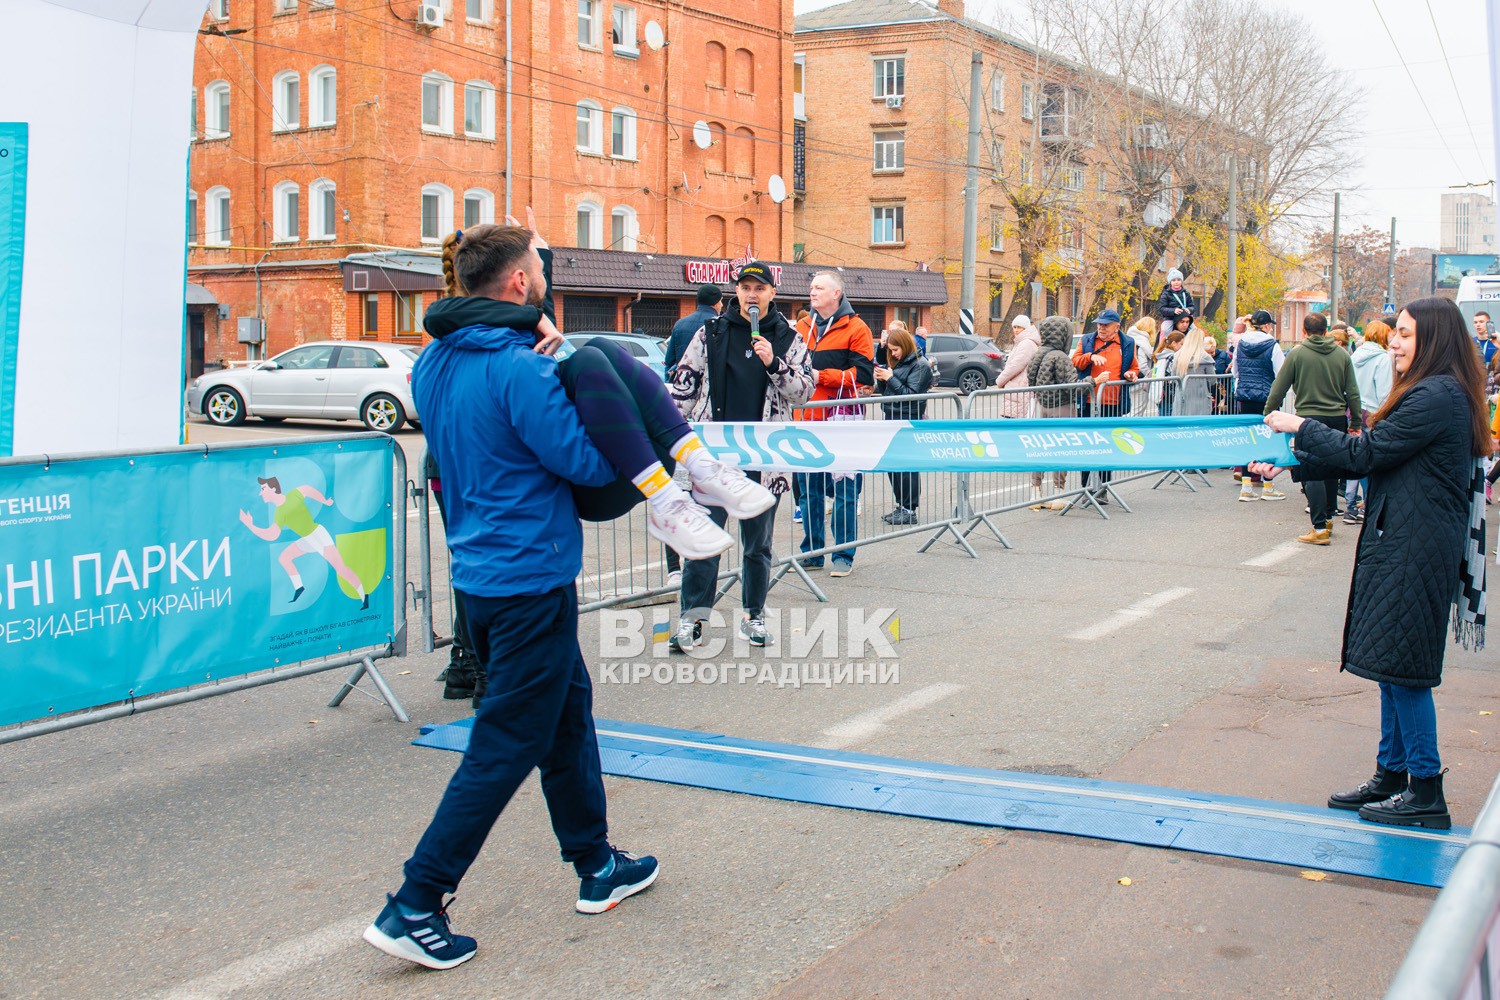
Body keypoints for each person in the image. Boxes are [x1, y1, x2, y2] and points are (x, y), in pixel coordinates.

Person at [363, 221, 766, 971]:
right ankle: (417, 900)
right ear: (519, 283)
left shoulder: (433, 365)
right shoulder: (520, 370)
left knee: (566, 718)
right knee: (507, 741)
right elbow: (582, 462)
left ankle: (596, 864)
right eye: (540, 269)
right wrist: (578, 384)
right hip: (530, 580)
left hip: (481, 580)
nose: (544, 278)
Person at [1256, 296, 1491, 830]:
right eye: (1397, 333)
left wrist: (1297, 428)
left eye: (1406, 334)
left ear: (1434, 340)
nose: (1396, 343)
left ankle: (1426, 790)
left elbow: (1364, 454)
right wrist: (1288, 464)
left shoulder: (1436, 395)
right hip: (1404, 543)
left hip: (1415, 549)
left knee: (1406, 672)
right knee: (1391, 665)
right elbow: (1373, 453)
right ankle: (1392, 773)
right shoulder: (1436, 392)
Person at [667, 261, 814, 650]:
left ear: (771, 294)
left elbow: (804, 392)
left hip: (764, 462)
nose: (752, 294)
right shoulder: (710, 332)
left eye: (759, 288)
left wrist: (773, 363)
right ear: (737, 292)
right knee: (704, 543)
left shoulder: (789, 338)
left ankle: (754, 616)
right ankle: (692, 621)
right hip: (713, 460)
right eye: (745, 287)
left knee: (757, 545)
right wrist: (664, 431)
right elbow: (684, 385)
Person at [796, 270, 875, 577]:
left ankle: (843, 554)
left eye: (819, 287)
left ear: (836, 294)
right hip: (806, 417)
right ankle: (813, 553)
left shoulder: (856, 327)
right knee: (809, 490)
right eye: (811, 286)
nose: (812, 291)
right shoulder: (803, 326)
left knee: (844, 490)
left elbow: (864, 376)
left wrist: (822, 377)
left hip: (841, 420)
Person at [1264, 312, 1361, 544]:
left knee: (1311, 471)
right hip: (1337, 417)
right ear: (1326, 331)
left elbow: (1280, 387)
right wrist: (1355, 422)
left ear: (1304, 332)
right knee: (1332, 469)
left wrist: (1268, 413)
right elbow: (1353, 392)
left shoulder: (1297, 354)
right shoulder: (1342, 354)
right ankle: (1328, 517)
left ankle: (1319, 527)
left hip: (1307, 419)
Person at [239, 477, 368, 608]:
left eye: (263, 489)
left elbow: (307, 489)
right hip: (307, 539)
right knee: (284, 558)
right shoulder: (279, 512)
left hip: (318, 536)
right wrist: (250, 526)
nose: (261, 493)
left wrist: (324, 501)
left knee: (341, 569)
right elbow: (272, 535)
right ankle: (299, 588)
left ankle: (364, 595)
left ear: (273, 488)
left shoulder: (292, 496)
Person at [1072, 308, 1140, 502]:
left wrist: (1131, 374)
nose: (1101, 328)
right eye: (1099, 324)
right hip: (1088, 402)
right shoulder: (1087, 340)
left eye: (1105, 325)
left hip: (1113, 403)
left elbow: (1134, 367)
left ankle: (1102, 489)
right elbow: (1075, 361)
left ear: (1116, 326)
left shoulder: (1127, 343)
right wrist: (1090, 356)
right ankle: (1085, 489)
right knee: (1087, 446)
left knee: (1107, 446)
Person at [875, 326, 934, 524]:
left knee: (907, 466)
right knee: (894, 465)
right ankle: (902, 505)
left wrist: (890, 378)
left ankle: (910, 509)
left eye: (895, 349)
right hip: (892, 417)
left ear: (905, 345)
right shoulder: (901, 363)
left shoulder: (920, 365)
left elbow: (911, 395)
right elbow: (890, 393)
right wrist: (883, 380)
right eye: (890, 350)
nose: (893, 353)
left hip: (908, 419)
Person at [1231, 309, 1287, 500]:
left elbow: (1235, 372)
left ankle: (1246, 488)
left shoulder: (1241, 344)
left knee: (1248, 440)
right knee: (1269, 440)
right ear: (1266, 326)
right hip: (1267, 397)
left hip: (1245, 397)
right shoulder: (1273, 345)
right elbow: (1281, 373)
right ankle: (1268, 485)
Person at [1026, 315, 1078, 509]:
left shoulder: (1037, 354)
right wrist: (1092, 382)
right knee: (1062, 451)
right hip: (1063, 407)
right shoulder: (1060, 357)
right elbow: (1073, 386)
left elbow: (1031, 381)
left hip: (1043, 406)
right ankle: (1058, 494)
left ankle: (1035, 492)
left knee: (1042, 450)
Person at [1347, 319, 1395, 522]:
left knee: (1353, 457)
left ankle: (1350, 505)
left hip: (1354, 410)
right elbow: (1384, 390)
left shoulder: (1355, 355)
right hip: (1373, 412)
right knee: (1371, 460)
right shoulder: (1383, 358)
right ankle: (1368, 504)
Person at [992, 314, 1039, 416]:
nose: (1016, 330)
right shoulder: (1022, 342)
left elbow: (1015, 366)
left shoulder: (1026, 343)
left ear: (1025, 328)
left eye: (1019, 327)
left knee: (1015, 425)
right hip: (1017, 389)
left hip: (1020, 390)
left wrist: (1000, 380)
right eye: (1014, 327)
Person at [1170, 322, 1216, 417]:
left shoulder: (1177, 356)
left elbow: (1174, 377)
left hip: (1181, 399)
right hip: (1201, 399)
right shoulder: (1205, 358)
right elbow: (1212, 380)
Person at [1126, 316, 1158, 418]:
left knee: (1131, 410)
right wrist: (1151, 375)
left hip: (1128, 378)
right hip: (1140, 380)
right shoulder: (1142, 343)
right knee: (1137, 410)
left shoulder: (1129, 339)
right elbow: (1142, 365)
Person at [1157, 268, 1196, 337]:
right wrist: (1173, 311)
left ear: (1181, 281)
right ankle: (1163, 346)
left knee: (1195, 331)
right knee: (1165, 330)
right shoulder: (1166, 293)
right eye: (1174, 280)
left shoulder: (1186, 293)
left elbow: (1192, 307)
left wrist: (1189, 310)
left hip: (1184, 318)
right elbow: (1162, 308)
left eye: (1178, 280)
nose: (1176, 282)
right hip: (1170, 319)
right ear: (1170, 282)